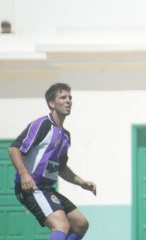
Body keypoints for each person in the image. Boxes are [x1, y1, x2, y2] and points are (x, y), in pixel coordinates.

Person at [8, 83, 96, 240]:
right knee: (61, 225)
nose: (68, 100)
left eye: (70, 97)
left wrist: (82, 183)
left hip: (47, 189)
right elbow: (13, 149)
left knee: (81, 223)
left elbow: (62, 169)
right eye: (63, 97)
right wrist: (24, 174)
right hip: (31, 187)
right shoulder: (42, 124)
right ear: (52, 103)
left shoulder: (65, 135)